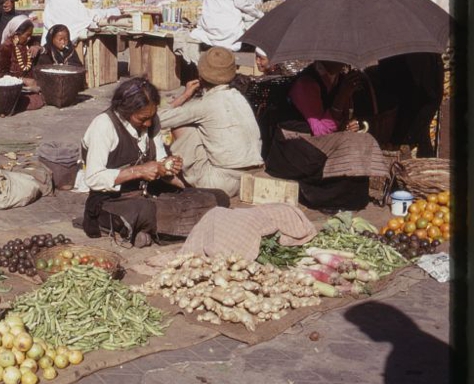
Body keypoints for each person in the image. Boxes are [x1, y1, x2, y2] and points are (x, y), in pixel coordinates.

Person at [80, 77, 227, 247]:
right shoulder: (104, 125)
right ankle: (122, 225)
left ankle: (146, 230)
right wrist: (139, 171)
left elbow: (158, 158)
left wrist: (166, 166)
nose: (149, 123)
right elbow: (93, 178)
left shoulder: (152, 121)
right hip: (110, 200)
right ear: (125, 111)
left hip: (146, 191)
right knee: (146, 211)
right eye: (142, 119)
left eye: (151, 116)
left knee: (218, 197)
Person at [266, 60, 389, 210]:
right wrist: (342, 95)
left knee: (362, 140)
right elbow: (321, 131)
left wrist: (348, 123)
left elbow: (340, 121)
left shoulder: (340, 79)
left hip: (319, 142)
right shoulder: (306, 83)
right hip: (295, 148)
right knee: (351, 143)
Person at [156, 48, 263, 197]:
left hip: (219, 184)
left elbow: (159, 118)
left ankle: (188, 184)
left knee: (181, 125)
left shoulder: (206, 104)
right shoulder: (238, 96)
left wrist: (185, 95)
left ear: (201, 75)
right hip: (249, 177)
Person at [0, 15, 45, 111]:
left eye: (30, 35)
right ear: (16, 35)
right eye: (27, 35)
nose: (29, 38)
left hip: (30, 87)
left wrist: (38, 47)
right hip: (14, 88)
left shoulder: (29, 44)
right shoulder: (7, 47)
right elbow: (2, 74)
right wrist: (23, 80)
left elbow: (45, 50)